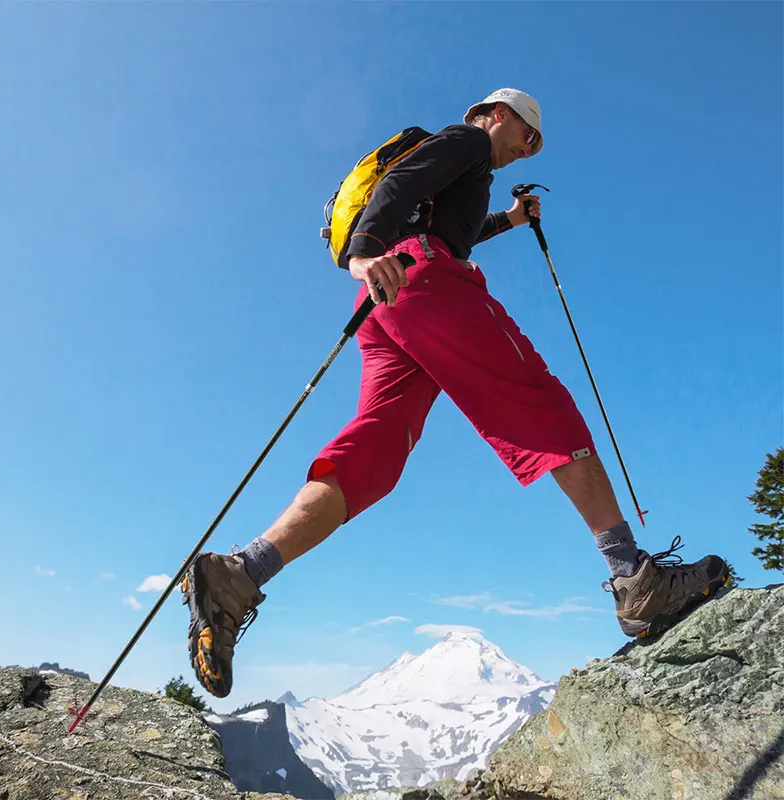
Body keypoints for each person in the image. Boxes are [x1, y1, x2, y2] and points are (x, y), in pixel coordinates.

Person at [182, 88, 728, 698]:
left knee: (374, 454)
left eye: (536, 146)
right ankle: (635, 579)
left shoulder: (470, 175)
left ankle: (241, 573)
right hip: (421, 280)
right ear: (499, 115)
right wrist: (364, 252)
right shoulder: (467, 139)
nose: (529, 149)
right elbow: (404, 184)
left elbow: (447, 227)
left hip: (388, 300)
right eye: (528, 135)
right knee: (540, 403)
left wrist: (510, 221)